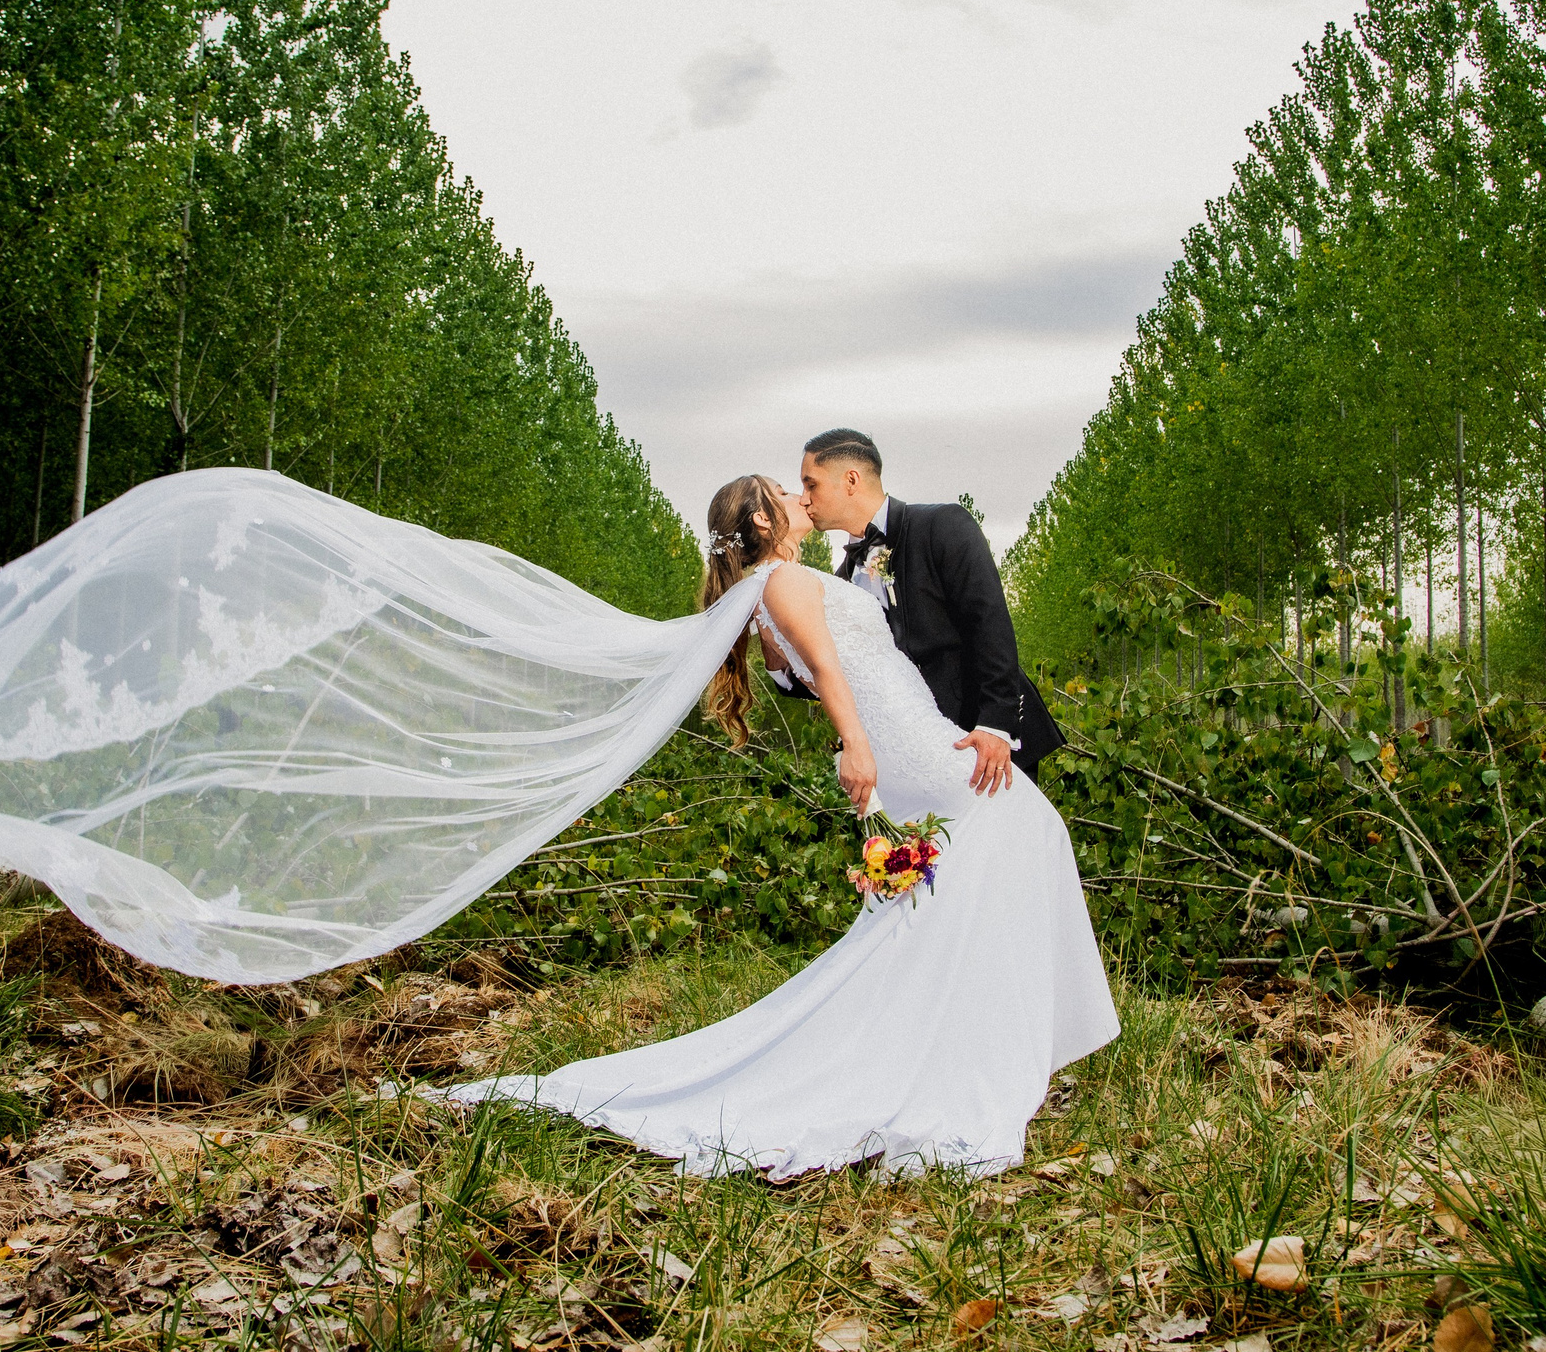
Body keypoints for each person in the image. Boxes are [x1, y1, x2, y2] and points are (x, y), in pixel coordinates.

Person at [447, 474, 1117, 1178]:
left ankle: (962, 1036)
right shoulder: (782, 583)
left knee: (953, 883)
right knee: (1022, 824)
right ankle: (975, 1046)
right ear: (765, 522)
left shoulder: (766, 601)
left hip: (900, 742)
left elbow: (792, 670)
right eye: (788, 493)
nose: (804, 500)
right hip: (908, 742)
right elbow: (828, 669)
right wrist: (855, 744)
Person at [789, 428, 1063, 787]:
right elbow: (830, 671)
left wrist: (995, 726)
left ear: (851, 480)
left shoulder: (942, 525)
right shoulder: (840, 582)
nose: (804, 499)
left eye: (812, 485)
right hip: (914, 756)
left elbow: (990, 623)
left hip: (985, 742)